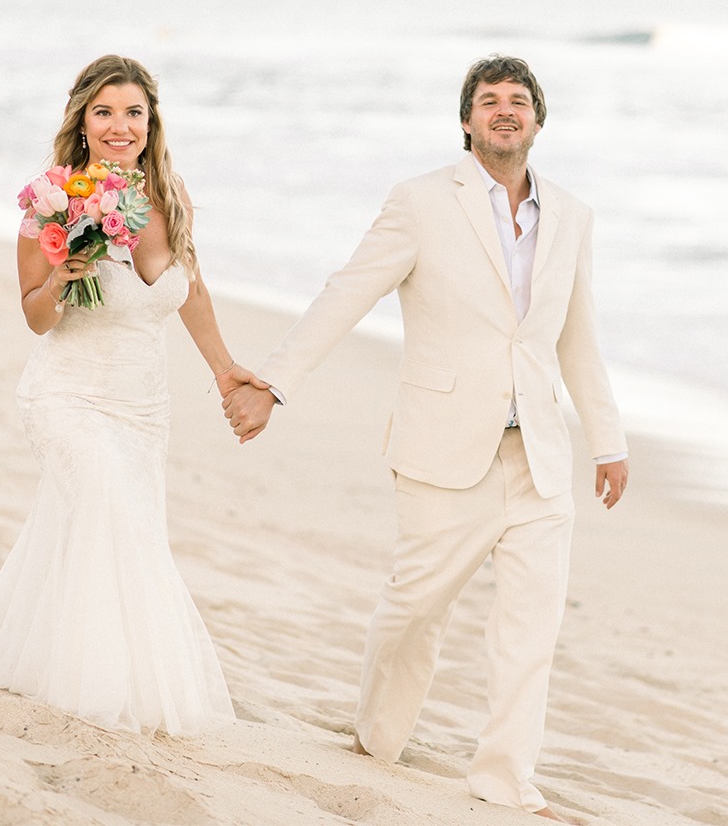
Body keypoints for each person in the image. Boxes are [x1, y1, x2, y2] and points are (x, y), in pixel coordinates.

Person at [223, 54, 629, 820]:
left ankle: (506, 781)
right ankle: (378, 737)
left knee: (529, 633)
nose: (504, 110)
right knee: (415, 610)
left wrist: (607, 441)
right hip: (444, 451)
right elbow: (348, 291)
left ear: (538, 121)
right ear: (468, 121)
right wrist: (275, 384)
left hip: (538, 457)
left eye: (518, 101)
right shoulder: (418, 202)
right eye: (489, 100)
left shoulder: (573, 216)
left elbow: (579, 337)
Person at [0, 55, 256, 736]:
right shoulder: (52, 199)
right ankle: (94, 684)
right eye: (104, 112)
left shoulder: (172, 193)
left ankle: (84, 653)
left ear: (151, 121)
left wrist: (224, 370)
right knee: (106, 510)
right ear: (82, 120)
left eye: (134, 112)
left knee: (114, 526)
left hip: (143, 407)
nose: (120, 126)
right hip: (67, 394)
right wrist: (62, 276)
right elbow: (36, 317)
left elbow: (190, 291)